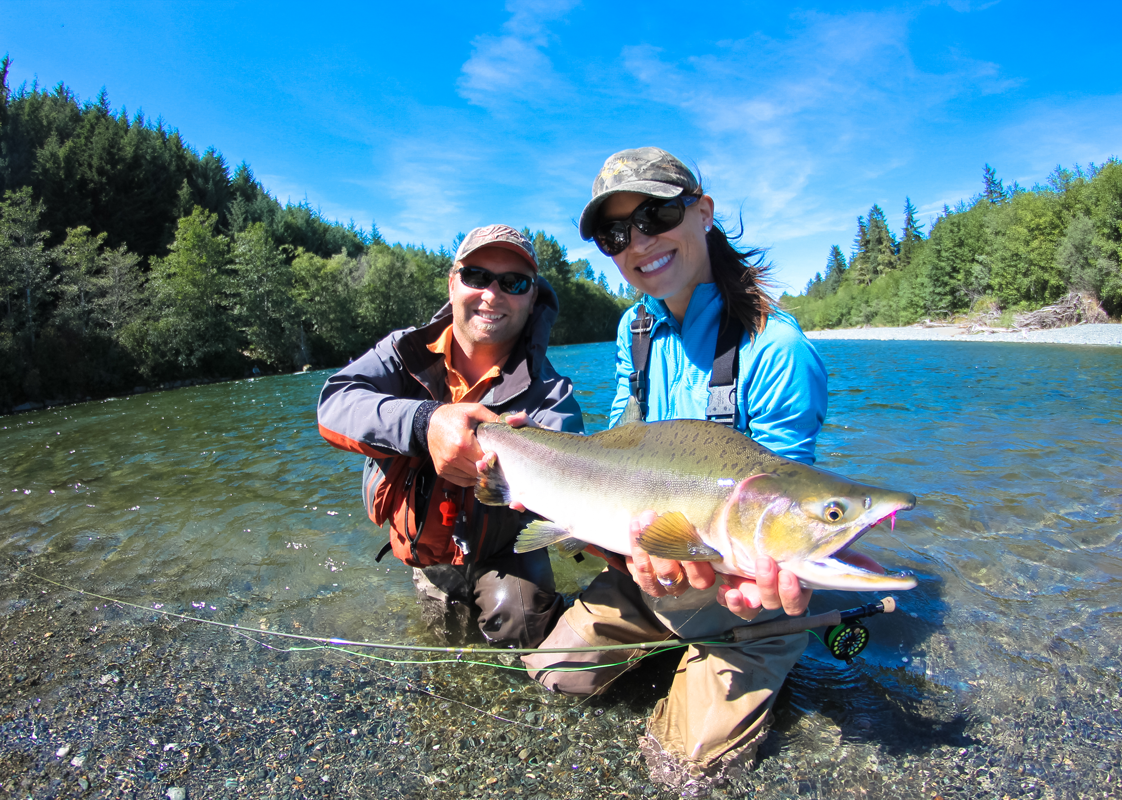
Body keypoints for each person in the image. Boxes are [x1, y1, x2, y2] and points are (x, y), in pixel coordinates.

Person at [522, 147, 852, 794]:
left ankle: (753, 663)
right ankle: (674, 651)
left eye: (656, 214)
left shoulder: (776, 348)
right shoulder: (633, 329)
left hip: (740, 602)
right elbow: (620, 446)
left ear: (702, 211)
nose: (639, 242)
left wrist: (768, 580)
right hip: (652, 573)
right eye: (617, 234)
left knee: (684, 773)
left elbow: (789, 509)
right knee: (553, 673)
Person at [316, 224, 584, 648]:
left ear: (532, 298)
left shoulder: (551, 393)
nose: (491, 295)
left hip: (506, 548)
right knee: (438, 636)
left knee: (525, 628)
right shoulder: (401, 353)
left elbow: (581, 482)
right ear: (453, 282)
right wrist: (425, 422)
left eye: (513, 283)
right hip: (429, 551)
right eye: (477, 276)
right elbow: (334, 405)